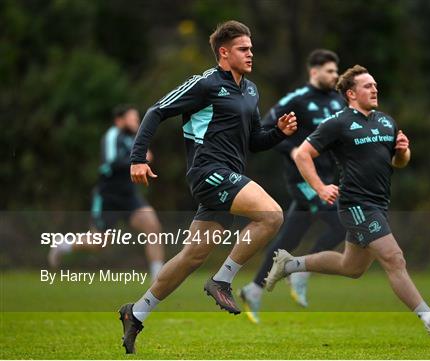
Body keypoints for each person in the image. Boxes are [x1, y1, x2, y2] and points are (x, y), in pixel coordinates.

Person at [118, 20, 297, 354]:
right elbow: (156, 111)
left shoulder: (251, 90)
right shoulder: (205, 84)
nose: (250, 54)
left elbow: (254, 141)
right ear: (223, 53)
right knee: (272, 215)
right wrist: (137, 158)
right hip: (208, 173)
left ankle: (136, 312)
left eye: (251, 49)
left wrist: (279, 133)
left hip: (227, 177)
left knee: (192, 256)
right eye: (243, 49)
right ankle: (223, 279)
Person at [265, 65, 430, 342]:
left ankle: (290, 264)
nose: (374, 89)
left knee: (352, 267)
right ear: (351, 93)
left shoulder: (386, 121)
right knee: (394, 258)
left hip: (379, 204)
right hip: (355, 204)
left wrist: (403, 151)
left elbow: (399, 162)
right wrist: (320, 187)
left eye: (375, 85)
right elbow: (302, 155)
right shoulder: (337, 123)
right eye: (368, 85)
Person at [239, 49, 346, 323]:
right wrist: (296, 149)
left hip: (327, 178)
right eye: (330, 71)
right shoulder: (297, 99)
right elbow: (265, 127)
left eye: (337, 71)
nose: (335, 76)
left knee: (289, 238)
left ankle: (253, 289)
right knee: (340, 224)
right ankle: (300, 269)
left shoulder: (338, 101)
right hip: (302, 179)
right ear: (314, 72)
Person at [48, 105, 164, 281]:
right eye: (132, 118)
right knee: (99, 243)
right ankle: (63, 245)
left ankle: (158, 279)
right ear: (119, 120)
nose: (137, 122)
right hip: (108, 197)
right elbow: (113, 161)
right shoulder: (112, 135)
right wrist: (140, 159)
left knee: (153, 226)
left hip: (129, 196)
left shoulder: (133, 138)